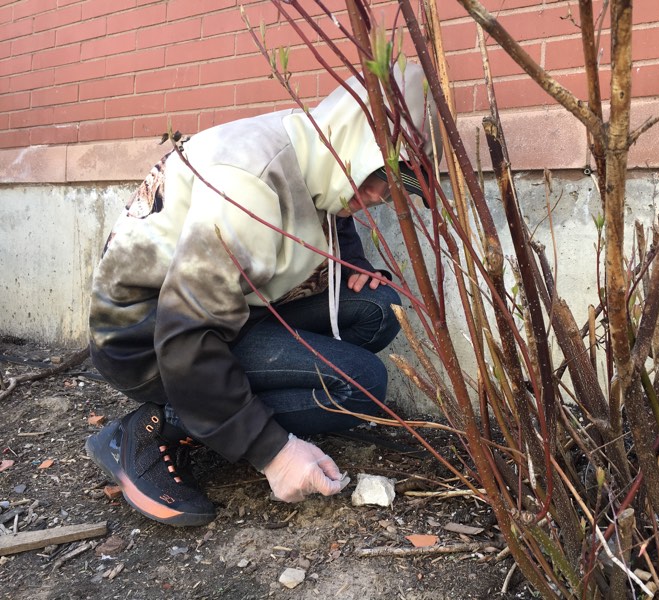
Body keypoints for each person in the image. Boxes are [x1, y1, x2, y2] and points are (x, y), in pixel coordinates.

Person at [85, 62, 439, 526]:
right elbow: (186, 331)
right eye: (382, 173)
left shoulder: (316, 154)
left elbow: (331, 213)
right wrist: (274, 452)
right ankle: (155, 427)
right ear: (352, 142)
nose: (382, 194)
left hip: (227, 314)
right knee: (360, 387)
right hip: (149, 340)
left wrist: (356, 268)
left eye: (398, 184)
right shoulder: (250, 182)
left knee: (378, 308)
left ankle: (230, 404)